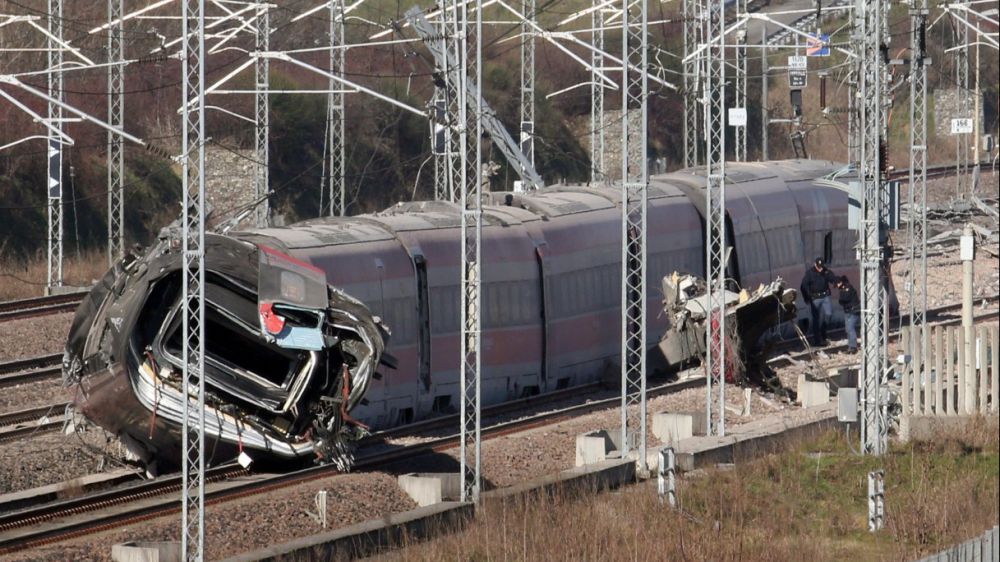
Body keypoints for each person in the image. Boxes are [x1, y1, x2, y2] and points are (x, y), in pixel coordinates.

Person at [800, 257, 837, 346]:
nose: (820, 268)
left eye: (821, 266)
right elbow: (803, 286)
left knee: (829, 314)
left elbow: (832, 278)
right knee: (816, 320)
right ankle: (817, 340)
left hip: (825, 296)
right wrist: (807, 298)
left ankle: (823, 331)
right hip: (815, 298)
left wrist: (836, 282)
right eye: (818, 266)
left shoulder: (825, 271)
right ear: (815, 264)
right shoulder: (809, 273)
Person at [836, 276, 860, 354]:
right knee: (848, 329)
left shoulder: (848, 288)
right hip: (847, 311)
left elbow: (844, 299)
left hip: (853, 311)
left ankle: (853, 347)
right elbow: (841, 301)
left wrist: (842, 300)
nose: (837, 285)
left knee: (850, 328)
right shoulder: (843, 289)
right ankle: (850, 346)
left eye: (838, 283)